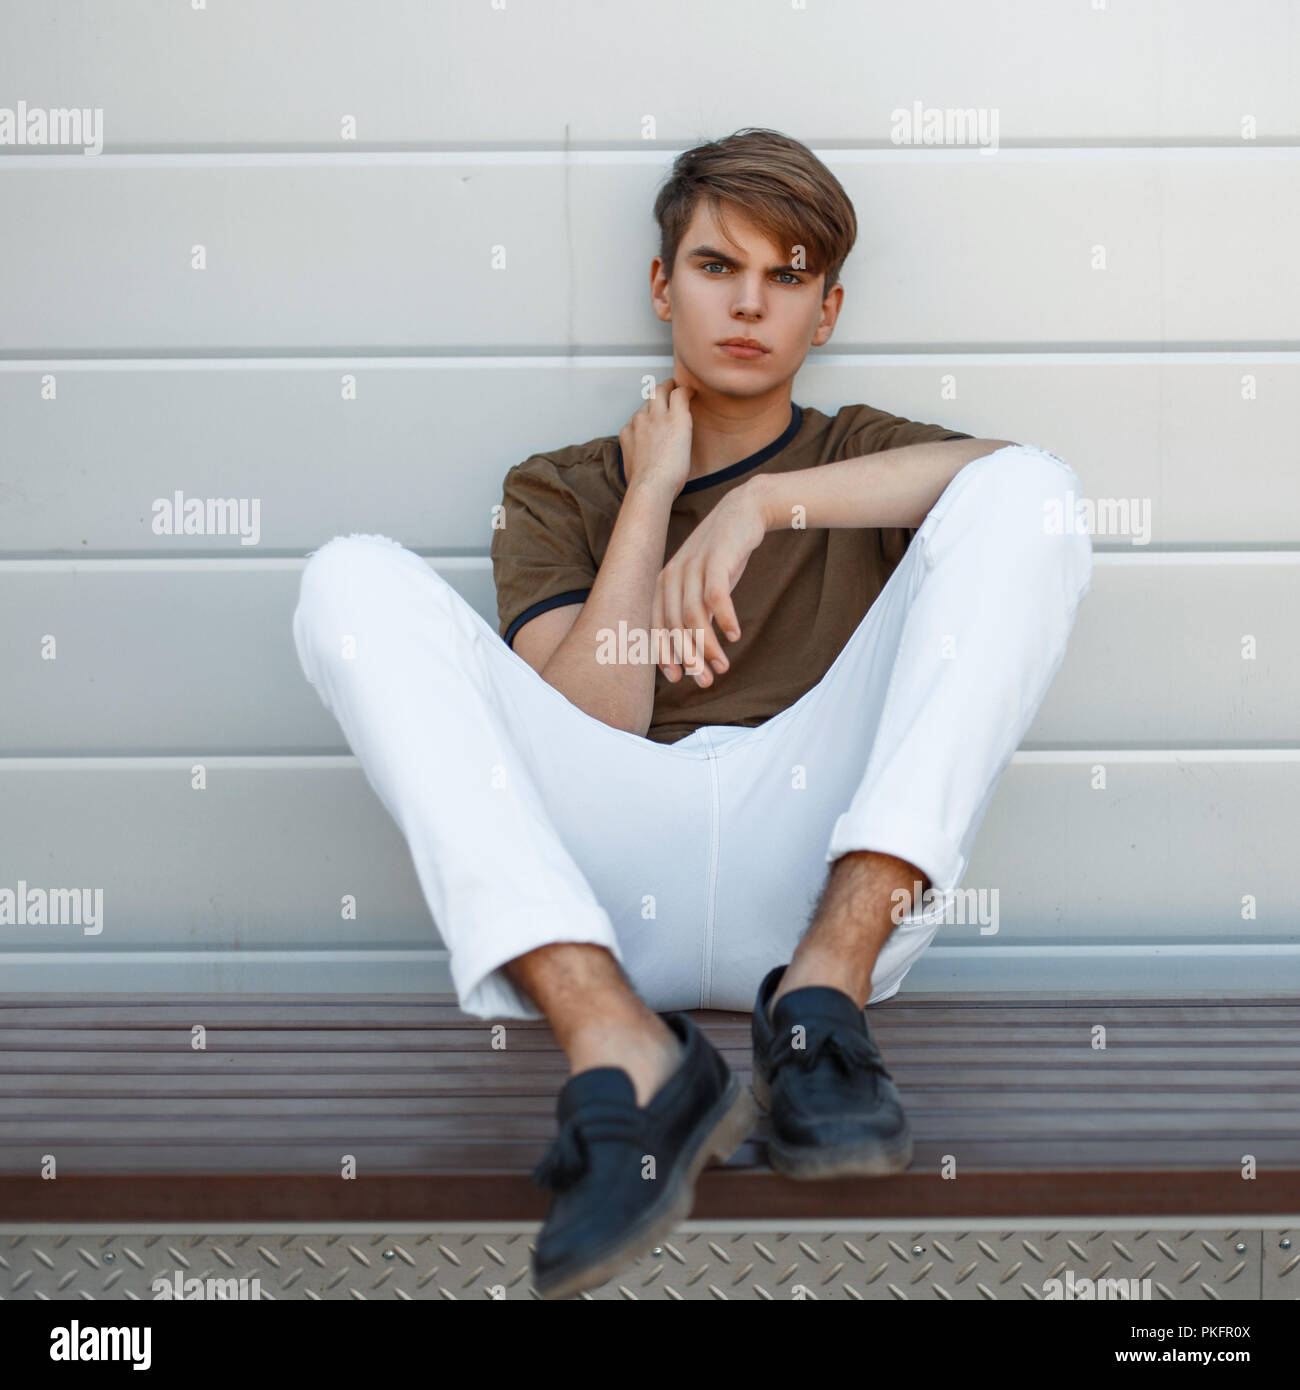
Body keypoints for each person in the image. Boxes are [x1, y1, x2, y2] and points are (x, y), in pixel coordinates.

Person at [292, 127, 1093, 1300]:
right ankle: (620, 1047)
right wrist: (657, 496)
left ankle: (821, 1001)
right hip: (608, 897)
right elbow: (590, 723)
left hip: (815, 872)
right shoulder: (561, 484)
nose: (749, 304)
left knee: (1035, 495)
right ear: (663, 285)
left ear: (825, 311)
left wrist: (764, 504)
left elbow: (1020, 486)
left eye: (787, 276)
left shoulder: (853, 456)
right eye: (719, 267)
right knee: (346, 578)